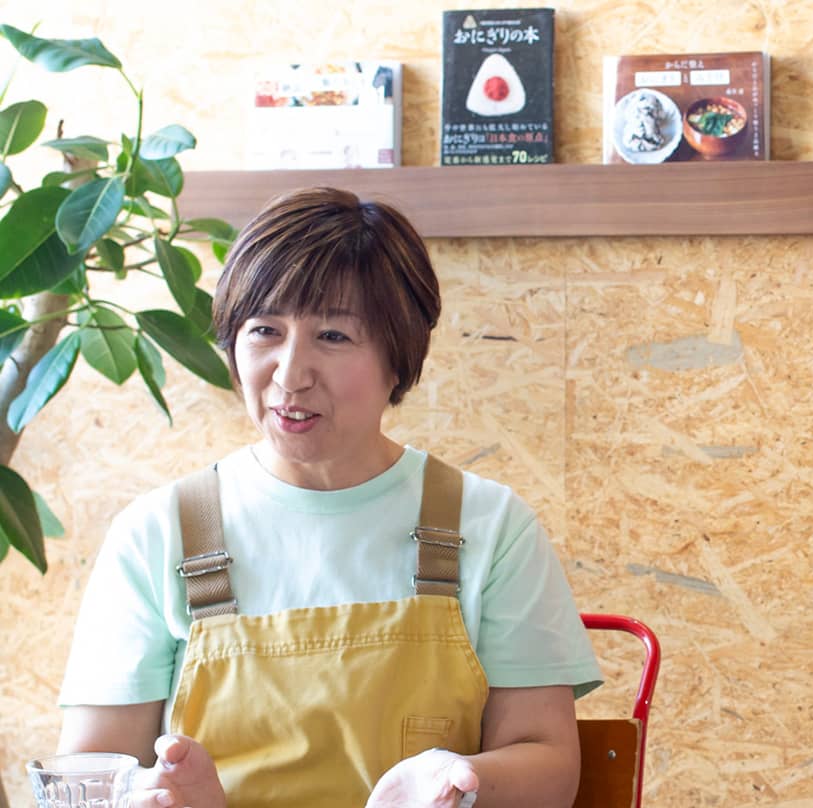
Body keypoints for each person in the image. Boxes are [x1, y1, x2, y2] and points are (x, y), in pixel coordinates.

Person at [54, 187, 602, 808]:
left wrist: (460, 781)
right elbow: (94, 774)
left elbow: (550, 763)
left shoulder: (490, 526)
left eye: (334, 336)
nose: (290, 374)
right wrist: (155, 795)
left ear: (399, 358)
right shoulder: (160, 532)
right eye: (264, 330)